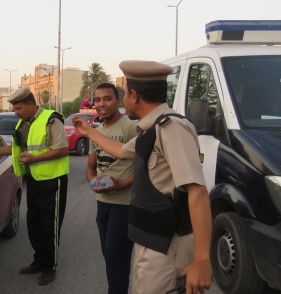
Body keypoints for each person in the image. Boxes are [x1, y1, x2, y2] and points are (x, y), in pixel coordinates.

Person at [73, 60, 212, 294]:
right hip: (150, 241)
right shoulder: (152, 130)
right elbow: (120, 151)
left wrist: (202, 261)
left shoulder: (171, 128)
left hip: (168, 245)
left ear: (133, 96)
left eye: (125, 93)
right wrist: (88, 132)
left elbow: (197, 193)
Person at [0, 86, 69, 285]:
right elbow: (16, 148)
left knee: (50, 226)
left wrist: (33, 158)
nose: (16, 112)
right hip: (34, 181)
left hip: (52, 181)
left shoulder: (50, 120)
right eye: (15, 109)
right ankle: (39, 261)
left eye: (19, 108)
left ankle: (50, 266)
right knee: (33, 224)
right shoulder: (22, 123)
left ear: (31, 104)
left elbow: (62, 149)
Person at [86, 83, 138, 294]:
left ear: (118, 100)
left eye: (107, 99)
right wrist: (92, 182)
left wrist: (121, 184)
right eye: (97, 100)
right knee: (110, 257)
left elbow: (147, 168)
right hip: (103, 204)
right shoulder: (96, 132)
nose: (101, 104)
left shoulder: (130, 127)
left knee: (116, 258)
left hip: (124, 205)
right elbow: (91, 166)